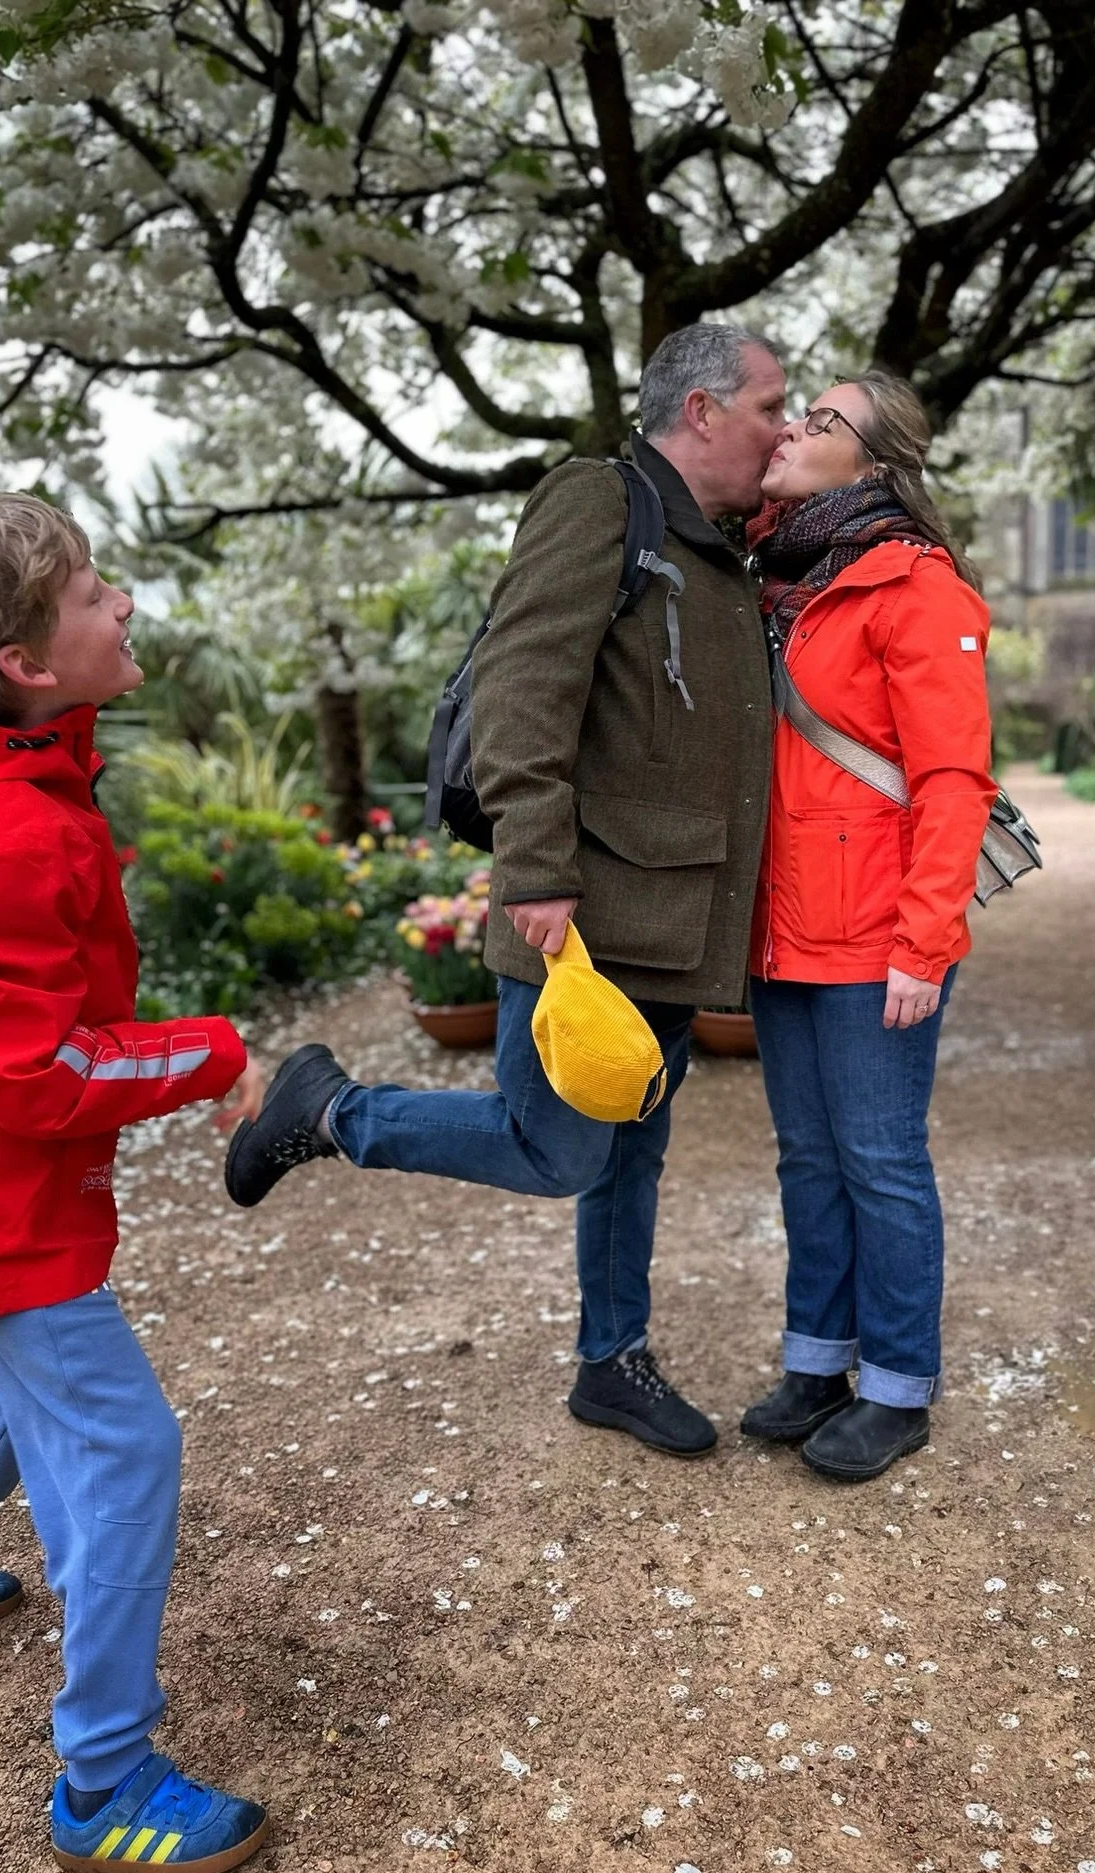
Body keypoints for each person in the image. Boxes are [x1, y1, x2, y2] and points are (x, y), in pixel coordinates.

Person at [226, 323, 785, 1457]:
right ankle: (328, 1113)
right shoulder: (598, 501)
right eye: (772, 406)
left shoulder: (719, 548)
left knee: (630, 1148)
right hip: (585, 908)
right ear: (704, 412)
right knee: (557, 1145)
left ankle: (610, 1360)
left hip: (670, 915)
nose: (784, 428)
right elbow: (527, 685)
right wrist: (532, 861)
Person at [0, 493, 270, 1873]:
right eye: (90, 593)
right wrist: (209, 1058)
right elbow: (39, 1068)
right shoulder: (9, 829)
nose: (120, 603)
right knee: (120, 1446)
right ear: (25, 663)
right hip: (0, 1194)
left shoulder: (21, 778)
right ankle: (104, 1780)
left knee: (15, 1376)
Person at [738, 373, 997, 1482]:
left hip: (875, 933)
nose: (793, 428)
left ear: (877, 465)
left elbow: (952, 779)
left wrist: (924, 940)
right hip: (784, 927)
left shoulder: (917, 590)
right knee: (808, 1159)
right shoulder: (784, 573)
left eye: (821, 421)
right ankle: (818, 1362)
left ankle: (898, 1387)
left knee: (882, 1160)